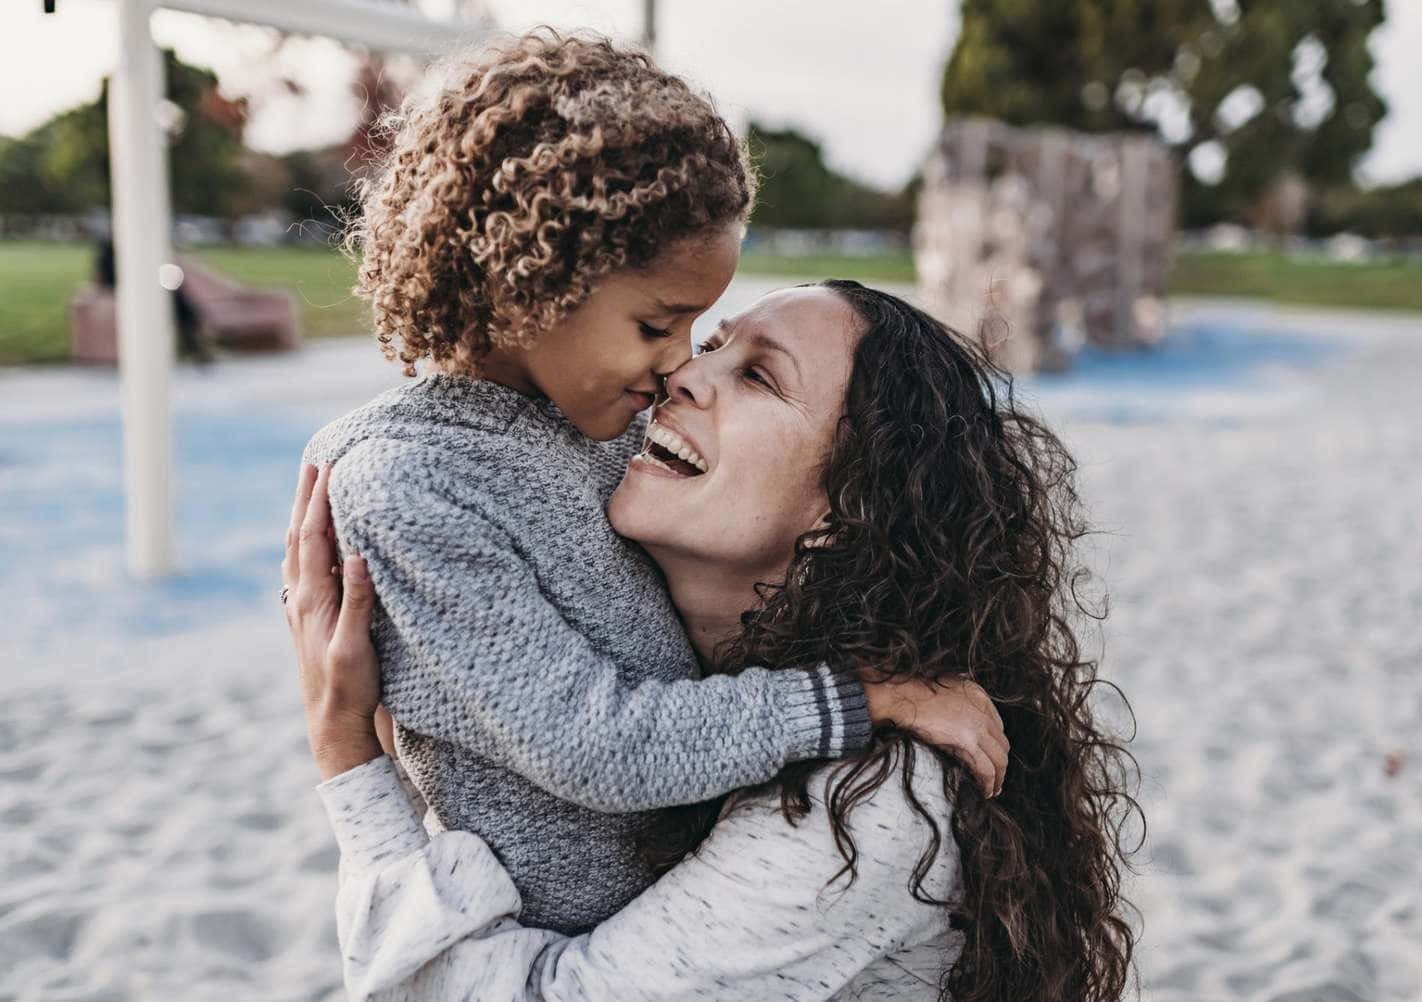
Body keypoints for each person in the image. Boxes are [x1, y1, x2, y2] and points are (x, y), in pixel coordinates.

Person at [297, 30, 1008, 937]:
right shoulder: (412, 484)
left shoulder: (588, 411)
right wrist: (863, 694)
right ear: (528, 284)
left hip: (699, 881)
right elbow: (593, 743)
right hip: (575, 945)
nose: (677, 365)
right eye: (655, 325)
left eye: (698, 328)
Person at [286, 282, 1141, 1002]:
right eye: (711, 345)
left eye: (759, 376)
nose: (683, 373)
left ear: (848, 510)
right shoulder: (678, 677)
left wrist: (347, 755)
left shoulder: (871, 804)